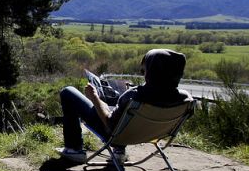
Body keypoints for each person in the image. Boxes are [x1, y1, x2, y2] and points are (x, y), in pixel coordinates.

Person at [56, 48, 190, 163]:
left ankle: (74, 149)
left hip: (118, 136)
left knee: (68, 92)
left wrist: (94, 97)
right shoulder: (185, 99)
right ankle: (119, 152)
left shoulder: (134, 95)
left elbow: (110, 124)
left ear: (152, 70)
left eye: (145, 69)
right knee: (122, 110)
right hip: (148, 135)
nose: (143, 72)